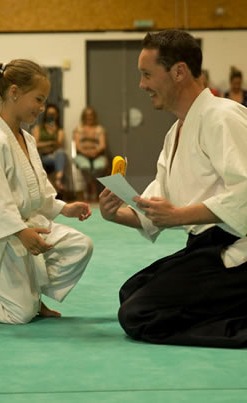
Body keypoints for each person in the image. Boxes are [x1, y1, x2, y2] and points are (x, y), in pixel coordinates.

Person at [99, 30, 247, 348]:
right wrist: (116, 215)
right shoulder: (175, 131)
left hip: (236, 252)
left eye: (147, 74)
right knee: (131, 292)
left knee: (139, 314)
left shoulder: (222, 116)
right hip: (204, 248)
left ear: (178, 72)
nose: (142, 85)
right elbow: (157, 206)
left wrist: (180, 215)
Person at [0, 59, 93, 324]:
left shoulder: (28, 139)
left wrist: (64, 208)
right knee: (20, 315)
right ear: (14, 92)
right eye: (38, 99)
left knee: (79, 246)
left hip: (28, 226)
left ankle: (30, 296)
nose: (42, 107)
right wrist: (21, 232)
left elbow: (39, 191)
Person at [73, 107, 108, 201]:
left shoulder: (99, 129)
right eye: (87, 115)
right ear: (84, 117)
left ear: (94, 116)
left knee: (99, 166)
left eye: (91, 115)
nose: (89, 117)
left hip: (97, 154)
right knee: (85, 166)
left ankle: (90, 184)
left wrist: (94, 152)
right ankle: (92, 185)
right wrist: (86, 153)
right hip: (82, 154)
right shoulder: (78, 129)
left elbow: (102, 145)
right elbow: (77, 146)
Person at [32, 104, 67, 194]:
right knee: (58, 154)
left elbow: (59, 145)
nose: (51, 116)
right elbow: (35, 144)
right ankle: (58, 182)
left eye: (53, 114)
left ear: (57, 115)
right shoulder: (38, 128)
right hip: (41, 156)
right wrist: (50, 143)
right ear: (46, 115)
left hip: (54, 156)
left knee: (60, 153)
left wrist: (53, 131)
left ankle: (58, 180)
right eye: (49, 114)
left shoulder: (59, 130)